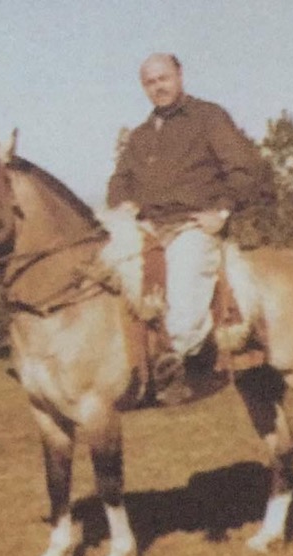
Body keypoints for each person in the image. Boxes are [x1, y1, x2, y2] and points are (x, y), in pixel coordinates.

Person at [107, 53, 264, 402]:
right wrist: (123, 207)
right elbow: (120, 181)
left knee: (183, 295)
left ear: (179, 75)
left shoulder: (209, 117)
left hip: (192, 225)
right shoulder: (140, 136)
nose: (158, 86)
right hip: (147, 227)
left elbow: (245, 170)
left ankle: (173, 367)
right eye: (150, 82)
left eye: (164, 78)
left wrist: (221, 212)